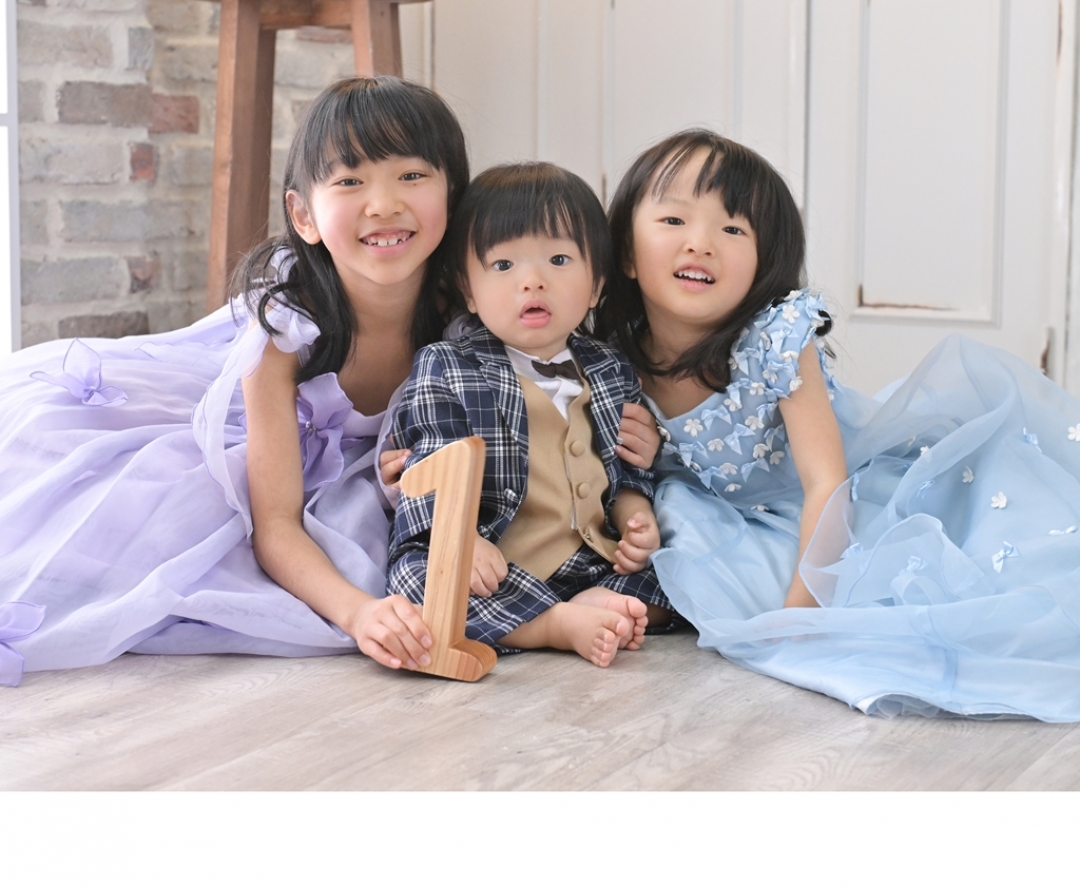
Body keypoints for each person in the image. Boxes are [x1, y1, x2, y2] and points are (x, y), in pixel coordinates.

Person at [0, 76, 471, 686]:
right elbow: (276, 526)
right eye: (350, 181)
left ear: (454, 194)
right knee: (155, 513)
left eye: (411, 175)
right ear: (303, 215)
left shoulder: (470, 314)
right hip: (248, 427)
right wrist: (358, 613)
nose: (383, 204)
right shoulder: (283, 329)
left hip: (355, 462)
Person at [598, 128, 1080, 722]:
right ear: (626, 253)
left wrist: (802, 620)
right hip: (742, 518)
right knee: (680, 521)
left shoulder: (775, 339)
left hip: (848, 496)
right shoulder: (611, 359)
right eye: (673, 220)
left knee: (976, 568)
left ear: (765, 263)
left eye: (733, 229)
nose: (700, 243)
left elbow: (826, 482)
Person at [386, 163, 672, 667]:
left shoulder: (610, 368)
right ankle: (552, 625)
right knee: (420, 582)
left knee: (680, 574)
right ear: (469, 291)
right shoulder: (447, 366)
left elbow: (626, 468)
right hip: (496, 563)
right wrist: (463, 540)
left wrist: (635, 517)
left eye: (559, 260)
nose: (532, 281)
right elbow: (431, 466)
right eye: (503, 265)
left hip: (591, 559)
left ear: (596, 285)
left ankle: (595, 603)